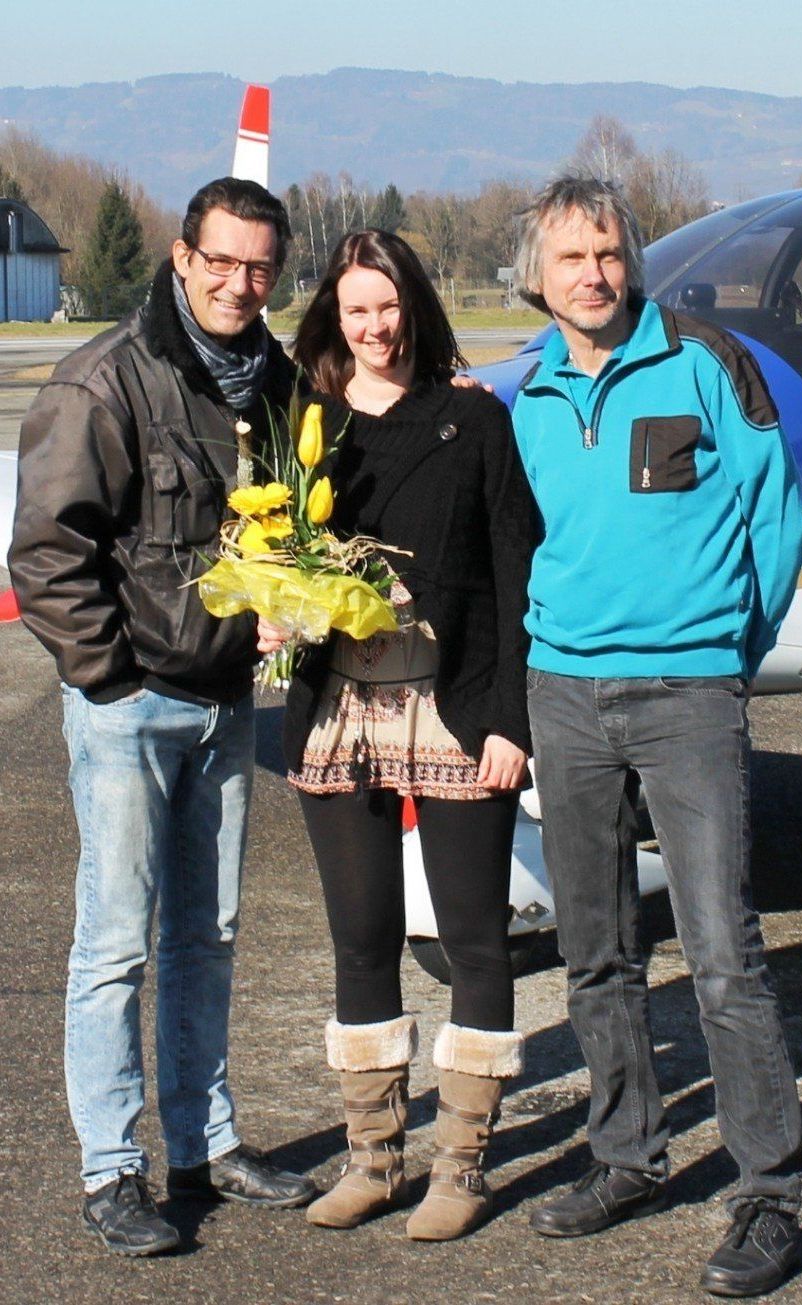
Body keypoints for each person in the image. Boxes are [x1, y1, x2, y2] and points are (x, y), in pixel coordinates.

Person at [510, 175, 802, 1298]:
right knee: (596, 952)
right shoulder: (529, 393)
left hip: (688, 692)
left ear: (631, 260)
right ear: (538, 277)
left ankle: (769, 1194)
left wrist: (732, 646)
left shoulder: (708, 365)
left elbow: (775, 517)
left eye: (609, 253)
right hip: (564, 694)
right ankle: (626, 1156)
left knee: (723, 955)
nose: (594, 274)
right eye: (572, 258)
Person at [8, 177, 317, 1256]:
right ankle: (111, 1170)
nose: (240, 284)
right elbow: (47, 556)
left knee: (210, 936)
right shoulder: (104, 380)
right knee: (113, 947)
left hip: (227, 708)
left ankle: (206, 1142)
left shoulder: (270, 384)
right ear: (182, 258)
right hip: (132, 710)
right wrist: (112, 679)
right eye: (222, 262)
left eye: (260, 268)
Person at [262, 228, 535, 1240]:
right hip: (337, 710)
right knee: (362, 939)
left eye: (387, 308)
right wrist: (274, 609)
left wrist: (510, 718)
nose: (372, 329)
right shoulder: (306, 424)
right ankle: (372, 1158)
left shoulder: (472, 419)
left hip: (455, 706)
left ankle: (461, 1165)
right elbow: (273, 555)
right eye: (353, 312)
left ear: (414, 304)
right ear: (334, 315)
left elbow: (518, 576)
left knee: (473, 938)